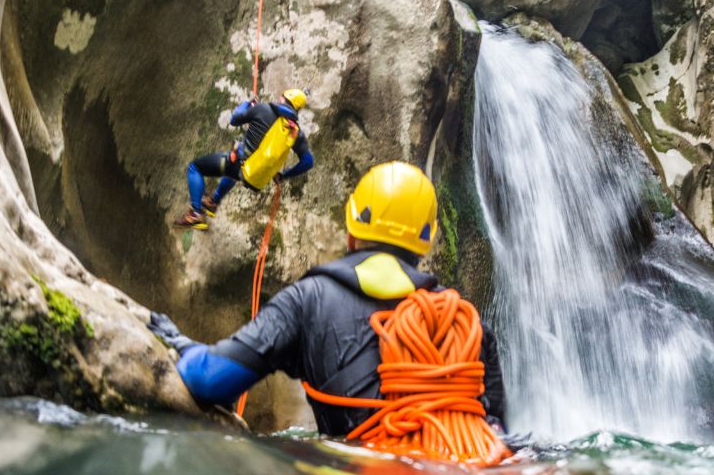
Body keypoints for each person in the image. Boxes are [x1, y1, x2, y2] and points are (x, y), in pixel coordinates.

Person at [151, 161, 506, 436]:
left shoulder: (308, 301)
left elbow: (210, 379)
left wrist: (182, 343)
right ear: (425, 241)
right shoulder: (467, 322)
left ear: (351, 229)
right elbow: (497, 430)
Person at [174, 88, 315, 229]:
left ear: (285, 98)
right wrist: (283, 176)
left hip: (237, 163)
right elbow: (308, 162)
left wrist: (248, 104)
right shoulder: (295, 132)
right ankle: (213, 202)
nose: (279, 98)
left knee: (195, 168)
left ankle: (195, 214)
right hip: (252, 175)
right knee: (234, 173)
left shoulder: (263, 109)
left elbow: (234, 119)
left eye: (282, 96)